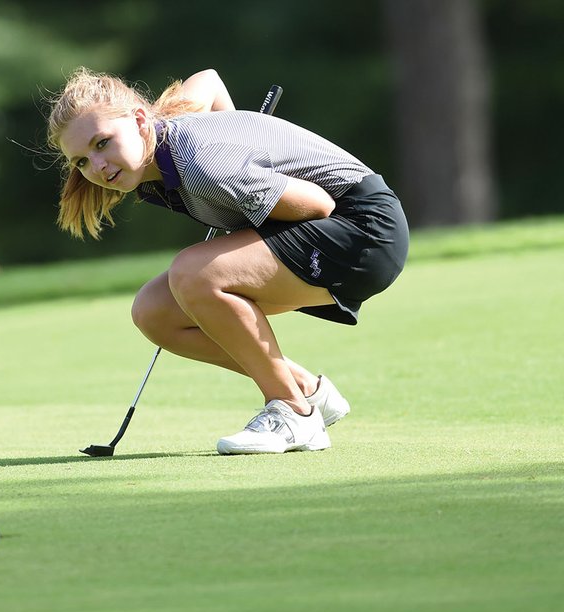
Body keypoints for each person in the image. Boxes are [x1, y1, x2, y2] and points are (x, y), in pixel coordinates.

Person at [46, 67, 409, 455]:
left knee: (196, 273)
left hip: (364, 230)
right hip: (335, 227)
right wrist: (239, 137)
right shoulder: (165, 128)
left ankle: (293, 414)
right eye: (81, 161)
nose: (97, 167)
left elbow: (320, 204)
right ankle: (306, 391)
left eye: (102, 143)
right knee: (154, 312)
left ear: (139, 120)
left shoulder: (203, 164)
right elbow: (211, 80)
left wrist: (238, 184)